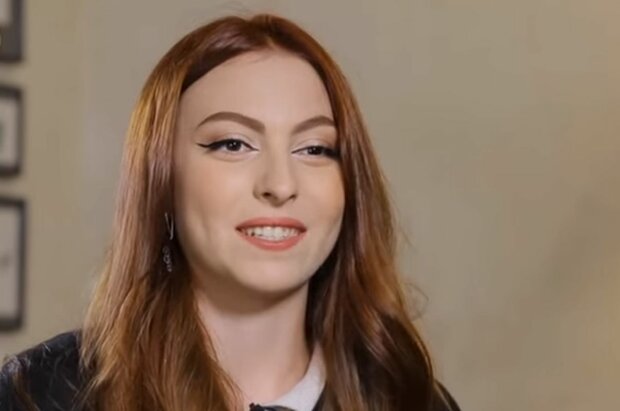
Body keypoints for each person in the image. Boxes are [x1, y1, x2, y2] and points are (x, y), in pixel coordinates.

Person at [0, 14, 461, 411]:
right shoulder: (39, 395)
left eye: (315, 148)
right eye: (233, 144)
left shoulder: (412, 399)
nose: (280, 185)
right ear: (162, 181)